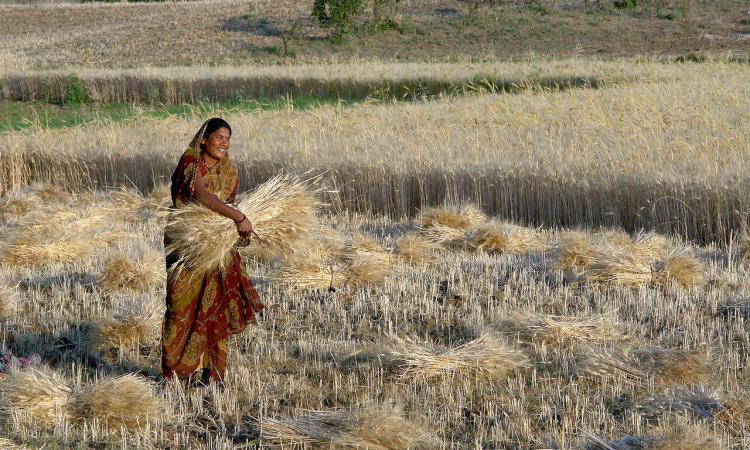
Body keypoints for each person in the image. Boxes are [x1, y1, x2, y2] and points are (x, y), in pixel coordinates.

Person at [162, 118, 264, 387]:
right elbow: (200, 194)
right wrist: (238, 216)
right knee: (181, 307)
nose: (224, 143)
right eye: (219, 137)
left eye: (228, 138)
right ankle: (176, 376)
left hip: (218, 249)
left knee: (216, 309)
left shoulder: (229, 171)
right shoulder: (190, 163)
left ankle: (214, 377)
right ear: (204, 139)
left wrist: (237, 232)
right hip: (188, 247)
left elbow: (226, 206)